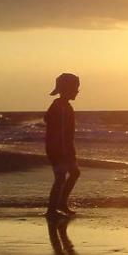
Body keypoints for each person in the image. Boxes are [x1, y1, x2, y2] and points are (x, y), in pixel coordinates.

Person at [44, 72, 80, 219]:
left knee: (74, 173)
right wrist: (65, 151)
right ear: (67, 89)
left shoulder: (64, 106)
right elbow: (61, 132)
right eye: (75, 88)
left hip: (64, 148)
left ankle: (61, 204)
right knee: (60, 177)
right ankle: (52, 209)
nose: (77, 91)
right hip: (59, 149)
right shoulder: (61, 107)